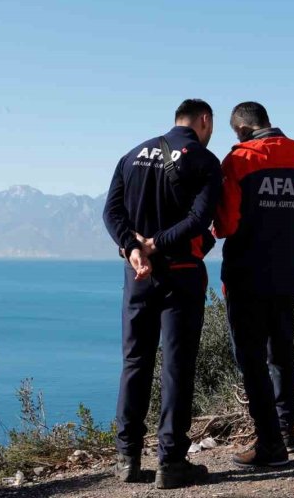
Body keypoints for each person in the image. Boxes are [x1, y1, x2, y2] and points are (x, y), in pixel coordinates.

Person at [102, 99, 223, 489]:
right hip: (181, 277)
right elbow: (199, 220)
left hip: (138, 276)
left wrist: (133, 247)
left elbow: (111, 212)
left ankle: (127, 459)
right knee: (176, 366)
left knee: (134, 361)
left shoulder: (132, 155)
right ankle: (171, 462)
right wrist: (158, 242)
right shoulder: (204, 161)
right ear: (204, 121)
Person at [213, 101, 294, 467]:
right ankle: (285, 431)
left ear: (244, 130)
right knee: (281, 353)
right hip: (285, 275)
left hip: (246, 275)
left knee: (250, 358)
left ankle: (268, 444)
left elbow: (226, 226)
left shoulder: (239, 161)